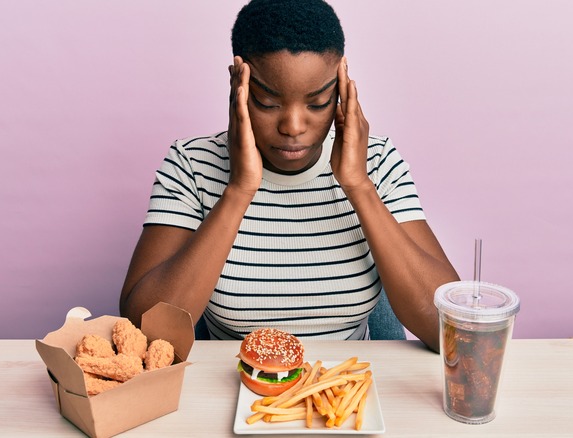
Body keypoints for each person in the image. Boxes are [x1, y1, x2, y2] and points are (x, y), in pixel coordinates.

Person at [119, 0, 459, 351]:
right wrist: (239, 189)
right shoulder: (191, 165)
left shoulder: (378, 161)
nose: (293, 127)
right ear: (239, 84)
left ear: (341, 89)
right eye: (267, 103)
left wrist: (359, 185)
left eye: (317, 103)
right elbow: (144, 334)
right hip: (234, 390)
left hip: (349, 393)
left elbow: (451, 332)